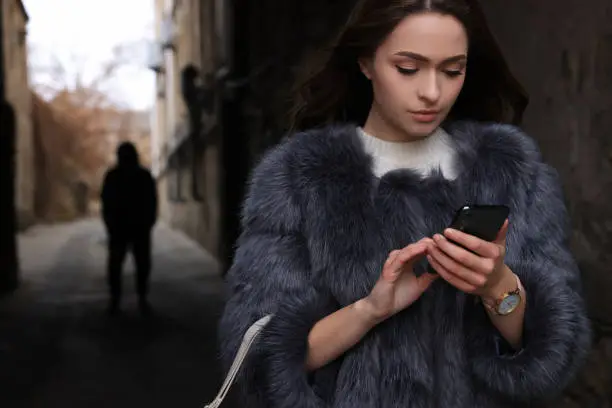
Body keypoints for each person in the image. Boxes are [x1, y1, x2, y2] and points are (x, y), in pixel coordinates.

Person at [218, 0, 592, 406]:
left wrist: (498, 287)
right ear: (365, 62)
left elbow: (558, 352)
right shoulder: (299, 178)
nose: (432, 92)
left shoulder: (513, 172)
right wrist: (369, 310)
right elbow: (257, 363)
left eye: (453, 71)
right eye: (408, 69)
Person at [101, 142, 158, 315]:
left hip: (122, 228)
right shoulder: (143, 175)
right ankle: (140, 299)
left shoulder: (113, 176)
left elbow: (106, 203)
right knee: (140, 265)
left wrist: (110, 224)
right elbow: (152, 202)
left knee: (117, 265)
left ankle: (116, 300)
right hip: (137, 228)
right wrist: (148, 223)